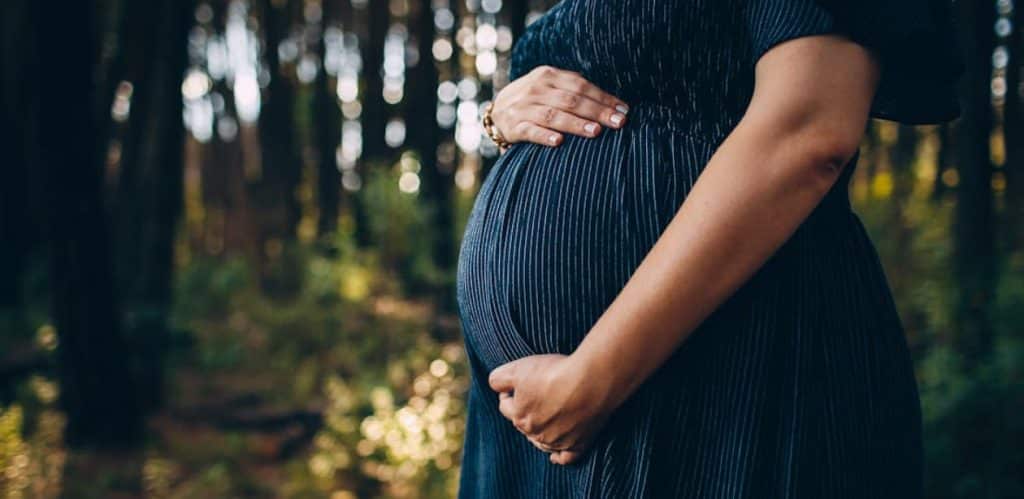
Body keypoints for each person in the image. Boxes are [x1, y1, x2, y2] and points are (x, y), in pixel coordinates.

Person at [455, 0, 963, 497]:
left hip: (728, 371)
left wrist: (593, 376)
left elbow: (809, 131)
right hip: (527, 427)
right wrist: (500, 115)